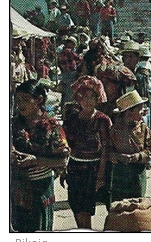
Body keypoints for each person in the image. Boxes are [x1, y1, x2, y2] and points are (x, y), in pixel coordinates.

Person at [11, 79, 70, 232]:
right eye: (17, 100)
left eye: (25, 100)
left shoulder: (50, 126)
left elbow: (63, 160)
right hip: (17, 187)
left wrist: (35, 161)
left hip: (41, 188)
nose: (20, 105)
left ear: (39, 100)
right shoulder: (13, 124)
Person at [61, 75, 112, 228]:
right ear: (78, 98)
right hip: (75, 167)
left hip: (94, 168)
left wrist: (100, 176)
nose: (88, 101)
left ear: (98, 99)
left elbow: (105, 150)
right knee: (77, 206)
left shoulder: (102, 120)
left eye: (92, 97)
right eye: (84, 97)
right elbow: (65, 145)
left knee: (91, 207)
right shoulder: (72, 117)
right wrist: (64, 169)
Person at [107, 89, 151, 204]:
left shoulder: (143, 129)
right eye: (139, 110)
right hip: (120, 171)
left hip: (137, 171)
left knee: (137, 204)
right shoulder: (114, 130)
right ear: (128, 112)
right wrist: (117, 156)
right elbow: (107, 149)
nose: (142, 112)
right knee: (119, 204)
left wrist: (137, 157)